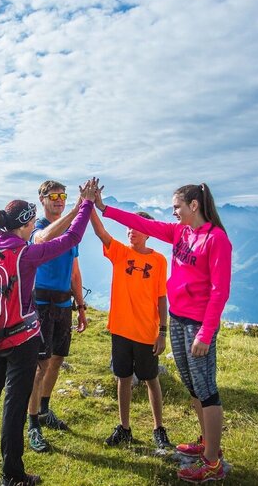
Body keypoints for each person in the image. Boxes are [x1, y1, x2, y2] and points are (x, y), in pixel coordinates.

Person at [0, 179, 98, 486]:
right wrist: (85, 204)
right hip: (20, 338)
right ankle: (13, 474)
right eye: (33, 220)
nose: (35, 224)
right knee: (14, 404)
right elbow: (73, 235)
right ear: (26, 224)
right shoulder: (26, 254)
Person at [95, 183, 232, 483]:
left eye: (177, 207)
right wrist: (103, 208)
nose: (173, 212)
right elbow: (142, 223)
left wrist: (206, 334)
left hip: (197, 326)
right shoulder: (181, 233)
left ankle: (212, 463)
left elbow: (220, 291)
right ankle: (207, 442)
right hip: (178, 319)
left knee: (207, 390)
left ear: (194, 206)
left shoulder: (216, 239)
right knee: (193, 385)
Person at [89, 207, 172, 450]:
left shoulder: (158, 260)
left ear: (148, 233)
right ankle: (124, 428)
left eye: (137, 227)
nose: (130, 230)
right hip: (121, 329)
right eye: (129, 226)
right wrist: (89, 205)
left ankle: (159, 428)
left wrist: (163, 332)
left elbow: (161, 298)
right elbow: (100, 231)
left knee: (151, 379)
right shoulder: (120, 253)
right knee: (123, 378)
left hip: (147, 331)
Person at [25, 180, 89, 453]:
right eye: (53, 196)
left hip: (64, 304)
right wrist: (76, 210)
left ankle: (44, 409)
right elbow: (43, 239)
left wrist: (81, 306)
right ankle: (32, 425)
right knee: (40, 365)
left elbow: (74, 271)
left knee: (57, 360)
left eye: (62, 195)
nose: (59, 200)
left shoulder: (69, 232)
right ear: (42, 200)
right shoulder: (38, 228)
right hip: (41, 303)